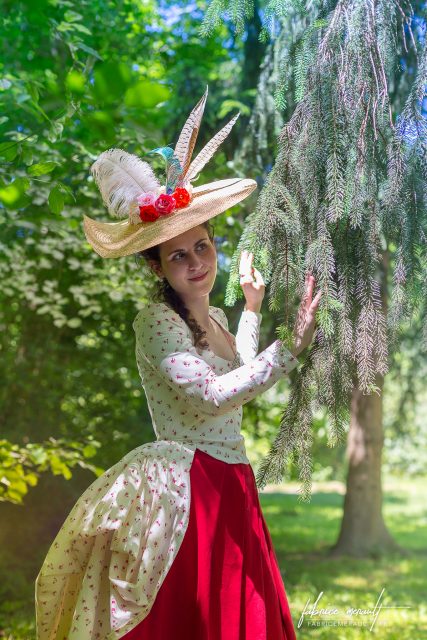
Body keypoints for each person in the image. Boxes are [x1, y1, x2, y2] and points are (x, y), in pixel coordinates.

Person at [35, 87, 322, 640]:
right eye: (178, 255)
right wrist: (290, 349)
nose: (195, 263)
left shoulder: (211, 318)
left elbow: (232, 370)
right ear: (158, 269)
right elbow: (213, 395)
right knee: (193, 615)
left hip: (232, 481)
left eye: (203, 248)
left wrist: (253, 309)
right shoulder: (157, 324)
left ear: (215, 246)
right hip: (190, 489)